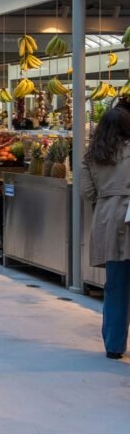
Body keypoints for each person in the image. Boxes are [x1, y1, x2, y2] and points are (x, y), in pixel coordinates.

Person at [82, 106, 130, 359]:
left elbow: (86, 193)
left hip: (107, 220)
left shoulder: (91, 157)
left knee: (116, 285)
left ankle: (114, 345)